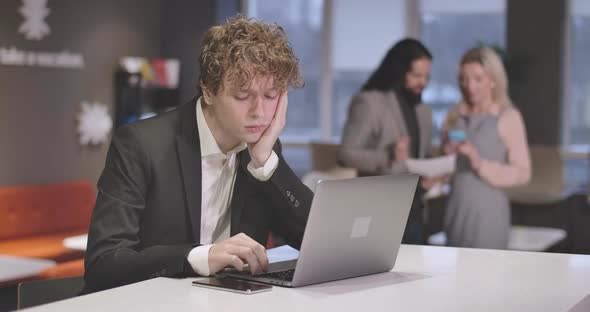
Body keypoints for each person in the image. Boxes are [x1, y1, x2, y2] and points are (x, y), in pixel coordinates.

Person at [83, 16, 313, 293]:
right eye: (242, 96)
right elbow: (103, 265)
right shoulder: (140, 145)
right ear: (208, 90)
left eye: (271, 95)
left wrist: (267, 164)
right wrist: (200, 256)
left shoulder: (263, 149)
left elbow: (316, 242)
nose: (259, 112)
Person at [338, 38, 434, 244]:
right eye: (417, 75)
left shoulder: (423, 109)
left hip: (415, 211)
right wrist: (388, 156)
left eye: (427, 76)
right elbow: (346, 153)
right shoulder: (371, 102)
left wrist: (429, 176)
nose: (423, 82)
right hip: (378, 212)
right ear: (400, 71)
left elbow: (421, 157)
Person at [442, 47, 531, 249]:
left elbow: (523, 174)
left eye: (477, 79)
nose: (469, 86)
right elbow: (445, 173)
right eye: (464, 79)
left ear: (493, 80)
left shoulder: (508, 118)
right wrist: (445, 157)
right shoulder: (453, 118)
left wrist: (480, 163)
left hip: (489, 215)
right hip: (456, 212)